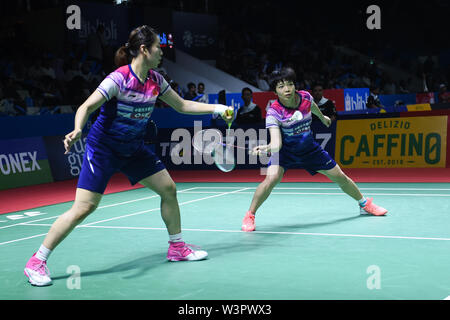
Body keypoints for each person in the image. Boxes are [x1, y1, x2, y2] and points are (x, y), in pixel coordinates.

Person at [24, 25, 233, 286]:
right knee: (84, 208)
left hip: (133, 148)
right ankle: (37, 261)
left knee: (168, 188)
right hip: (104, 149)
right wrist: (78, 128)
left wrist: (217, 108)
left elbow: (182, 105)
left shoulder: (156, 80)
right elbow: (86, 106)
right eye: (158, 47)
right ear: (144, 50)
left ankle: (177, 248)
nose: (161, 53)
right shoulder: (118, 80)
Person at [241, 67, 387, 232]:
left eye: (289, 84)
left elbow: (313, 106)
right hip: (285, 151)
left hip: (309, 148)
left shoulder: (305, 96)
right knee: (271, 179)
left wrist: (322, 117)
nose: (287, 89)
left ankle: (364, 204)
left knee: (340, 177)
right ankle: (250, 215)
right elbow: (277, 143)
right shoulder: (274, 112)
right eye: (281, 86)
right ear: (275, 91)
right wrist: (267, 147)